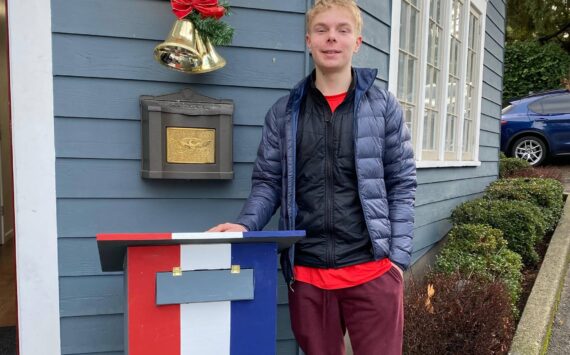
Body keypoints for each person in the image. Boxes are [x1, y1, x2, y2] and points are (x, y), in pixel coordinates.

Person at [208, 0, 416, 353]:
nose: (331, 38)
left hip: (373, 272)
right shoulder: (284, 113)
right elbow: (268, 183)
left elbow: (402, 183)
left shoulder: (383, 108)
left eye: (342, 30)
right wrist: (246, 225)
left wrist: (396, 259)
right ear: (308, 40)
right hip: (307, 275)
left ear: (357, 41)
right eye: (322, 30)